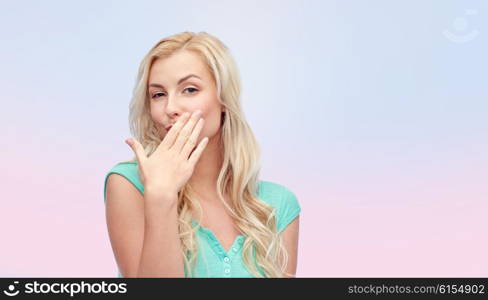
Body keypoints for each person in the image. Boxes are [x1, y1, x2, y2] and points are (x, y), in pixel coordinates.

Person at [103, 31, 301, 278]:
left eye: (189, 89)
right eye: (158, 94)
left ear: (223, 100)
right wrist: (161, 195)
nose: (171, 108)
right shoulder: (129, 184)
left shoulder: (278, 204)